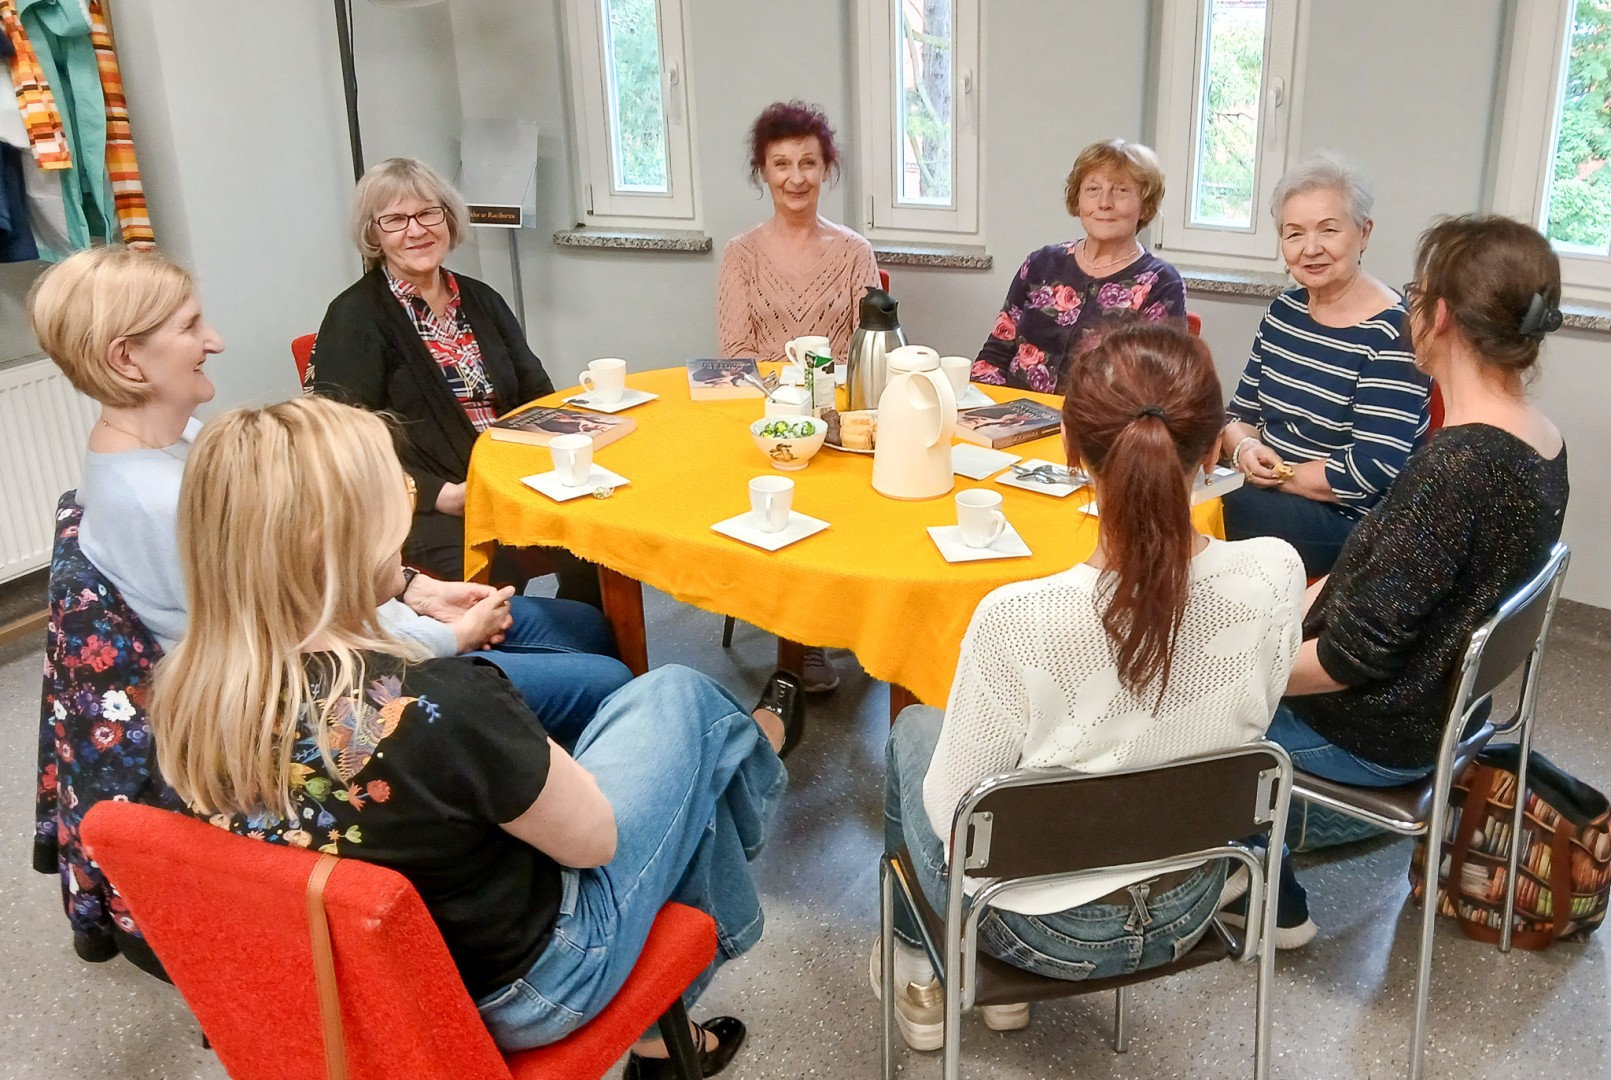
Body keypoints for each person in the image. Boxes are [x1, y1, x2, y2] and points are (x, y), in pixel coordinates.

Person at [147, 397, 806, 1076]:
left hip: (339, 986)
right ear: (333, 534)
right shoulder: (441, 703)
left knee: (673, 730)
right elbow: (593, 843)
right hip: (523, 992)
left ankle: (729, 781)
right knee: (679, 698)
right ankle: (740, 776)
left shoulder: (183, 702)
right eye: (394, 493)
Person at [878, 324, 1304, 1049]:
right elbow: (1254, 711)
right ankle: (953, 978)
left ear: (1072, 453)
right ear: (1212, 455)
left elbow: (954, 812)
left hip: (1043, 933)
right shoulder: (1274, 571)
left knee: (914, 732)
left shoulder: (1019, 616)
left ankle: (929, 970)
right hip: (1195, 902)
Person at [27, 245, 633, 748]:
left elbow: (304, 570)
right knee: (601, 678)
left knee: (581, 624)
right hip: (326, 694)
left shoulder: (179, 441)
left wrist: (415, 589)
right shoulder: (162, 502)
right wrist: (451, 637)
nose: (214, 341)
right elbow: (301, 650)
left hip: (358, 629)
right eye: (189, 326)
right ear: (126, 358)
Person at [1260, 215, 1569, 933]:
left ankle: (1267, 901)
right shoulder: (1539, 438)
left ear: (1436, 318)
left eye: (1413, 294)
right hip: (1451, 709)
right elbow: (1392, 578)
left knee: (1168, 691)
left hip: (1381, 732)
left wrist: (1225, 670)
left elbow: (1346, 660)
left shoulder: (1455, 468)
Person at [309, 157, 598, 603]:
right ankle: (527, 665)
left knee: (596, 541)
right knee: (499, 586)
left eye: (428, 213)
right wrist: (435, 494)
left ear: (447, 218)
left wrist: (563, 450)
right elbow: (342, 445)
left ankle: (596, 658)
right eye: (395, 220)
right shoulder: (353, 318)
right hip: (424, 502)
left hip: (512, 478)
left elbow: (535, 390)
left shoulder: (481, 298)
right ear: (374, 234)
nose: (417, 230)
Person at [716, 101, 879, 693]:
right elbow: (735, 351)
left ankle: (837, 621)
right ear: (763, 172)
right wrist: (785, 398)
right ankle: (797, 634)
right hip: (769, 413)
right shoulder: (741, 253)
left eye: (808, 162)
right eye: (781, 164)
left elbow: (865, 346)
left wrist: (826, 402)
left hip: (836, 411)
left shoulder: (854, 251)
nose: (795, 177)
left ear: (825, 168)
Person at [1220, 153, 1431, 576]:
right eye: (1293, 234)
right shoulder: (1283, 311)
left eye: (1329, 230)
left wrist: (1278, 473)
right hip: (1269, 494)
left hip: (1352, 523)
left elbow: (1370, 469)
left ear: (1364, 233)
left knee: (1201, 510)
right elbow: (1237, 415)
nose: (1310, 249)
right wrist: (1245, 447)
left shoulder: (1395, 331)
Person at [973, 139, 1187, 394]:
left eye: (1121, 190)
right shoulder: (1041, 264)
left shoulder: (1161, 282)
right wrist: (983, 411)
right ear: (1078, 200)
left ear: (1145, 205)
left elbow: (1155, 387)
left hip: (1096, 427)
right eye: (1093, 189)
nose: (1104, 202)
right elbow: (997, 351)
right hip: (1011, 417)